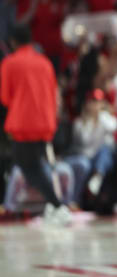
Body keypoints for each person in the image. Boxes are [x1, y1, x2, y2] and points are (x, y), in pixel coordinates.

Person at [0, 24, 71, 225]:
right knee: (37, 166)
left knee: (29, 168)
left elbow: (5, 98)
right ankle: (53, 205)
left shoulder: (10, 63)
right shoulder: (45, 62)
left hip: (23, 124)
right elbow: (52, 93)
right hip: (45, 122)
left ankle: (57, 206)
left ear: (13, 42)